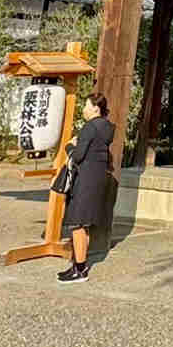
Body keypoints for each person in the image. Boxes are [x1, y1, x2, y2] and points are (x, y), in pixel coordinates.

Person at [54, 93, 115, 284]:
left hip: (86, 179)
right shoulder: (107, 127)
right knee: (84, 224)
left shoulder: (89, 127)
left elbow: (79, 156)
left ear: (96, 108)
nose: (84, 109)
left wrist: (69, 147)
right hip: (97, 179)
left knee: (77, 224)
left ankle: (80, 270)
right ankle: (78, 264)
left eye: (86, 106)